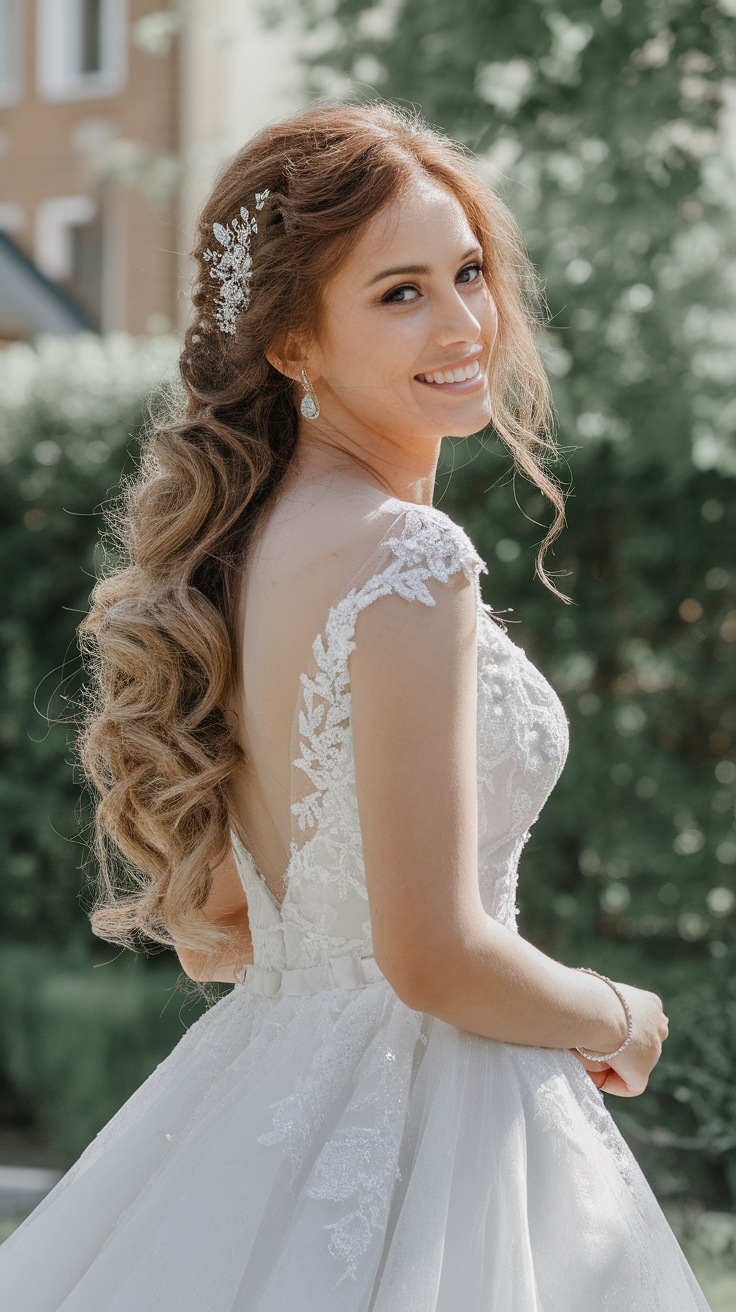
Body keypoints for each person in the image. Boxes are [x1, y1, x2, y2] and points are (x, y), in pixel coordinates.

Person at [0, 103, 708, 1311]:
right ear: (291, 343)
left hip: (262, 1101)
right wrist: (622, 1016)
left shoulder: (244, 548)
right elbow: (433, 956)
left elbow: (223, 920)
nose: (462, 323)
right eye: (399, 293)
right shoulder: (407, 556)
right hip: (446, 1127)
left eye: (468, 272)